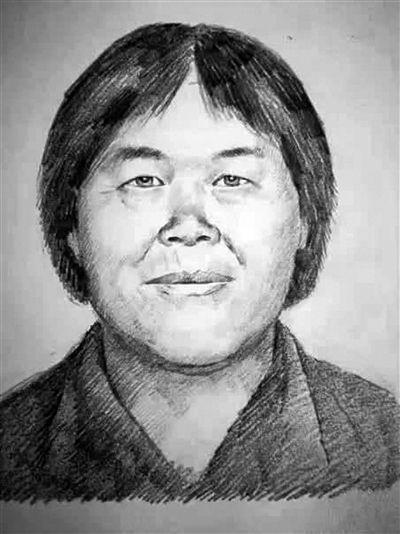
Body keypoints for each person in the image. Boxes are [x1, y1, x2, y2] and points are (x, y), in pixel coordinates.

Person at [1, 22, 398, 503]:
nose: (188, 226)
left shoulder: (386, 444)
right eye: (143, 180)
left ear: (306, 222)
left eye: (232, 179)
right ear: (71, 228)